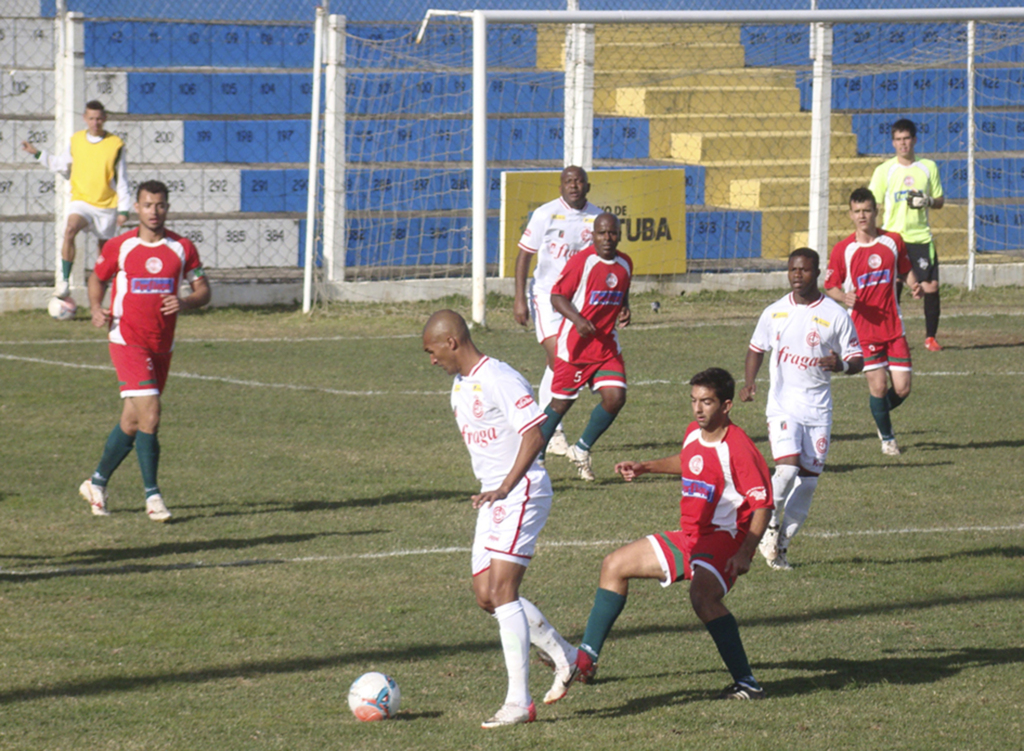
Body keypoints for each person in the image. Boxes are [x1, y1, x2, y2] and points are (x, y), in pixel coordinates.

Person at [554, 368, 773, 701]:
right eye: (694, 401)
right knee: (614, 565)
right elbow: (690, 461)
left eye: (707, 402)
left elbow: (763, 504)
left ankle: (747, 682)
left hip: (723, 540)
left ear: (726, 405)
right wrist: (646, 466)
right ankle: (586, 662)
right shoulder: (693, 432)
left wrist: (745, 551)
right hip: (690, 537)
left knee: (703, 598)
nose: (698, 409)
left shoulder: (739, 448)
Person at [422, 309, 579, 729]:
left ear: (451, 341)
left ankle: (518, 702)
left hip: (522, 489)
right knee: (486, 597)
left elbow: (534, 433)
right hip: (493, 496)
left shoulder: (500, 377)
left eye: (432, 351)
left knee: (504, 591)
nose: (431, 360)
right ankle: (566, 655)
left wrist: (507, 487)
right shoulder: (459, 386)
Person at [78, 180, 210, 522]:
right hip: (127, 339)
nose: (154, 211)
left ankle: (96, 483)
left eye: (161, 205)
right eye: (148, 205)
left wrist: (184, 301)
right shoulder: (121, 246)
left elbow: (204, 290)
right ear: (137, 207)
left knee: (133, 420)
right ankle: (153, 496)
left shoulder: (182, 248)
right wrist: (95, 307)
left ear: (167, 207)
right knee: (151, 413)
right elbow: (97, 277)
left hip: (162, 343)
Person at [740, 248, 864, 571]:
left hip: (818, 409)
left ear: (817, 273)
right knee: (787, 470)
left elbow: (858, 360)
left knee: (808, 483)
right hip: (782, 406)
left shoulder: (836, 315)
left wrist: (841, 366)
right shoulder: (775, 312)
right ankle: (765, 524)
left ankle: (780, 546)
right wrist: (750, 382)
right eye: (792, 269)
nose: (797, 275)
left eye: (804, 270)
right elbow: (756, 348)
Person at [514, 165, 602, 460]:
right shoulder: (545, 214)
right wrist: (518, 299)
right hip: (547, 296)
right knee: (558, 358)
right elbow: (525, 254)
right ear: (561, 186)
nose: (573, 186)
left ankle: (542, 422)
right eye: (568, 181)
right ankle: (552, 432)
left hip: (579, 301)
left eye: (579, 181)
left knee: (561, 363)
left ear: (587, 187)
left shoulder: (597, 217)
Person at [825, 188, 921, 457]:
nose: (862, 216)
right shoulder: (844, 249)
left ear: (875, 211)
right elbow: (830, 285)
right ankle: (888, 439)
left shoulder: (893, 241)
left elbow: (904, 270)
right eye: (857, 211)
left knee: (902, 388)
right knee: (878, 386)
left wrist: (915, 285)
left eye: (867, 210)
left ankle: (880, 416)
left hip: (893, 328)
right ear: (850, 214)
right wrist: (843, 296)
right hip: (863, 331)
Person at [537, 212, 632, 481]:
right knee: (560, 405)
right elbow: (557, 296)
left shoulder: (625, 263)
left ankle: (581, 450)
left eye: (612, 233)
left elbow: (622, 290)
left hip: (605, 346)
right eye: (601, 233)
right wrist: (577, 319)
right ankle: (537, 456)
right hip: (575, 348)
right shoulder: (583, 261)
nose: (607, 238)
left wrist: (625, 308)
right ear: (593, 235)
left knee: (615, 397)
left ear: (619, 235)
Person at [22, 100, 131, 300]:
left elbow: (122, 178)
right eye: (91, 118)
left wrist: (124, 210)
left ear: (105, 119)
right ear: (85, 119)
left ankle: (102, 297)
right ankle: (64, 282)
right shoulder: (76, 140)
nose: (95, 123)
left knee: (104, 254)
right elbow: (61, 165)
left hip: (106, 205)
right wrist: (37, 153)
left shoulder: (115, 145)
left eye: (99, 119)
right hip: (81, 200)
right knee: (70, 229)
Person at [868, 118, 945, 351]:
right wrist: (874, 235)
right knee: (892, 287)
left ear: (914, 140)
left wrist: (928, 200)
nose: (903, 144)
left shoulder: (928, 167)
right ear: (893, 143)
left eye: (907, 139)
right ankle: (888, 336)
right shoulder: (884, 170)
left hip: (920, 237)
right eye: (899, 140)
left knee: (930, 286)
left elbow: (940, 201)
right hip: (893, 237)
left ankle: (930, 338)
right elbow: (873, 203)